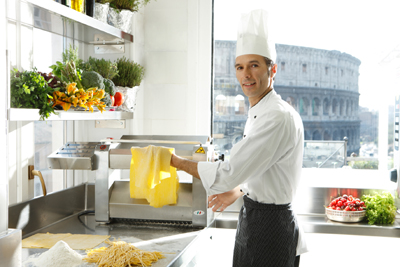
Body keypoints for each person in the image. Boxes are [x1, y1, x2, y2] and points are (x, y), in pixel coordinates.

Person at [170, 9, 307, 267]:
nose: (246, 74)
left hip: (271, 228)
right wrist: (239, 190)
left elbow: (229, 171)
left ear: (272, 70)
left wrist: (175, 161)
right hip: (254, 219)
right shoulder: (261, 110)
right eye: (240, 67)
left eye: (254, 65)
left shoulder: (276, 117)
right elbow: (264, 167)